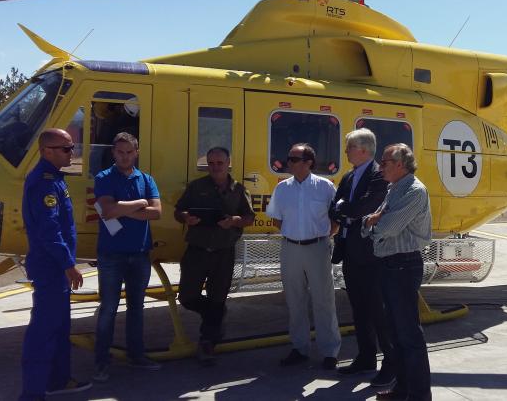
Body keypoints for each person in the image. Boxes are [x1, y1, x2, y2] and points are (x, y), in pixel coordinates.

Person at [19, 128, 91, 400]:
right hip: (51, 268)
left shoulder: (56, 180)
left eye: (72, 147)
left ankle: (59, 379)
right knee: (43, 331)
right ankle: (32, 393)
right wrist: (67, 264)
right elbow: (49, 230)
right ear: (46, 151)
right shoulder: (44, 182)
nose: (72, 152)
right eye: (66, 148)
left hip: (57, 269)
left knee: (60, 328)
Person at [362, 144, 433, 401]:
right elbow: (367, 223)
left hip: (403, 266)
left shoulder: (414, 191)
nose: (380, 167)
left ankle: (419, 395)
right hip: (389, 265)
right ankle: (402, 390)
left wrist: (376, 221)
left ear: (401, 164)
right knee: (395, 333)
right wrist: (374, 222)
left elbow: (386, 227)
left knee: (409, 335)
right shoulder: (393, 189)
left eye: (385, 162)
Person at [174, 147, 255, 365]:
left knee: (217, 297)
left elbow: (249, 217)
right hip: (197, 250)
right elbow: (179, 210)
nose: (215, 167)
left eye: (219, 163)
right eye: (211, 163)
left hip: (223, 252)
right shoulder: (197, 186)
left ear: (228, 163)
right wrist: (186, 218)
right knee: (187, 297)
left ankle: (207, 343)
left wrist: (234, 221)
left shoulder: (238, 189)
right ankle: (215, 317)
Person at [92, 132, 162, 381]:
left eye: (129, 152)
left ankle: (137, 355)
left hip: (140, 254)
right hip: (111, 256)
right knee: (108, 309)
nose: (124, 156)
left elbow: (156, 213)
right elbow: (107, 211)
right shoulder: (103, 178)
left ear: (136, 152)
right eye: (120, 152)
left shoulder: (146, 179)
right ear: (113, 153)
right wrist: (139, 203)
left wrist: (123, 208)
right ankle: (101, 361)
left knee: (136, 308)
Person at [266, 143, 342, 369]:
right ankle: (299, 348)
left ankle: (330, 351)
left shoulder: (326, 187)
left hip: (318, 248)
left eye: (294, 159)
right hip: (290, 248)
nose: (289, 162)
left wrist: (320, 237)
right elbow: (276, 218)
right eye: (289, 158)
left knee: (323, 300)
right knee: (294, 300)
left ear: (308, 162)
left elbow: (337, 219)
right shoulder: (282, 188)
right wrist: (294, 234)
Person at [330, 129, 395, 386]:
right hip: (350, 252)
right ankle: (366, 357)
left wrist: (344, 209)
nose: (345, 152)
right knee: (359, 309)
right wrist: (343, 210)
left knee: (378, 311)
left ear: (363, 150)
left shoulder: (379, 175)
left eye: (349, 148)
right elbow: (336, 205)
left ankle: (391, 363)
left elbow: (364, 207)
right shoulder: (348, 176)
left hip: (371, 255)